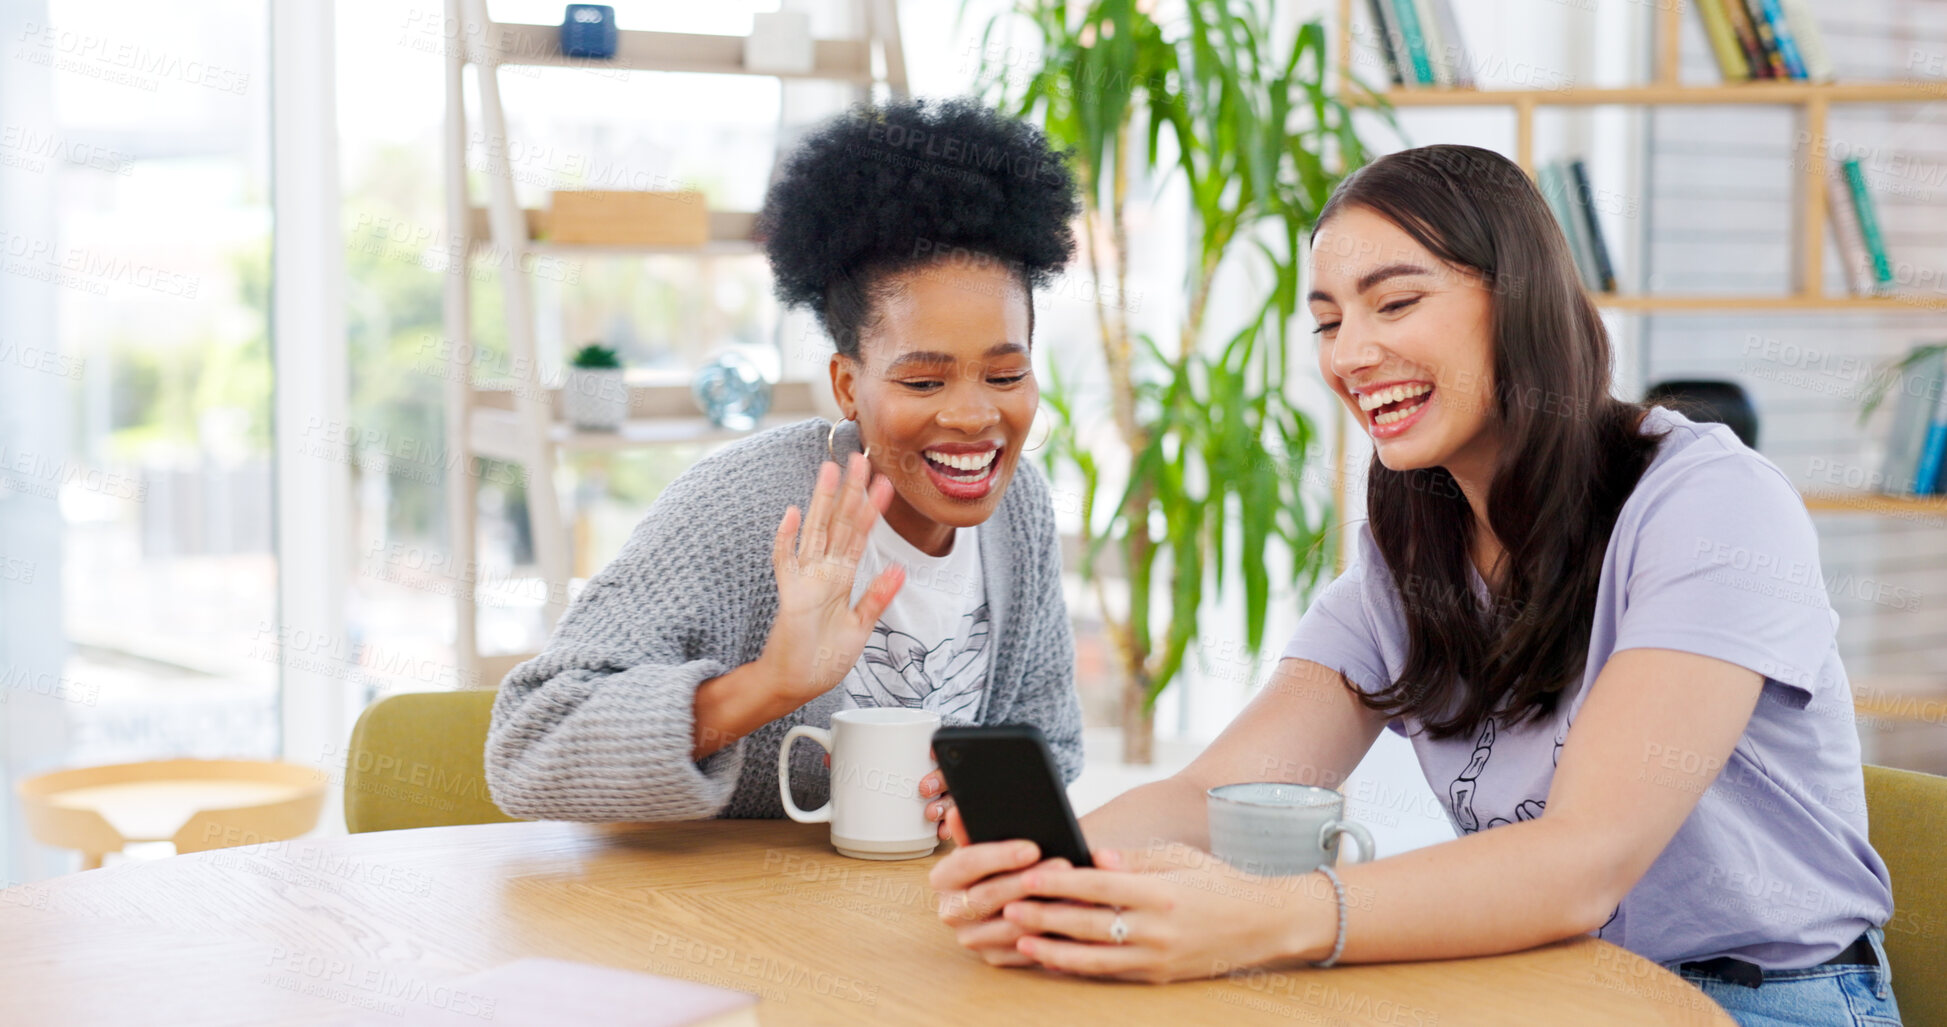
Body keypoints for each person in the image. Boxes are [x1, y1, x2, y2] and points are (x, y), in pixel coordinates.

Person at [928, 144, 1900, 1026]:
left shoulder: (1709, 505)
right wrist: (1054, 866)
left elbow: (1582, 864)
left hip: (1761, 1002)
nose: (1350, 354)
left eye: (1395, 303)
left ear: (1518, 299)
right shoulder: (1410, 550)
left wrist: (1267, 919)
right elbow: (1210, 794)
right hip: (1551, 983)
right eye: (1328, 321)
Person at [486, 98, 1085, 837]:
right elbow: (527, 745)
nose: (971, 416)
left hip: (913, 922)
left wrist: (982, 799)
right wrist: (769, 684)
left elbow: (1049, 745)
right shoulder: (748, 508)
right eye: (923, 382)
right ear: (846, 387)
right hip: (722, 925)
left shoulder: (1017, 505)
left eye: (1003, 376)